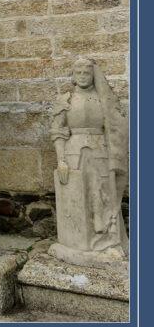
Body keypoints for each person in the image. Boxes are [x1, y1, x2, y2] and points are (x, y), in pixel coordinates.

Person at [49, 57, 128, 265]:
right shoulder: (65, 99)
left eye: (87, 73)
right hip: (74, 154)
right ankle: (75, 244)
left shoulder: (103, 99)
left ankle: (106, 241)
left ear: (93, 75)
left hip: (100, 153)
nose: (83, 77)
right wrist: (61, 160)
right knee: (76, 198)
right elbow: (58, 132)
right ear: (74, 76)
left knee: (102, 196)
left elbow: (114, 128)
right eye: (79, 73)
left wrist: (115, 154)